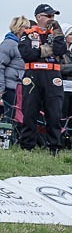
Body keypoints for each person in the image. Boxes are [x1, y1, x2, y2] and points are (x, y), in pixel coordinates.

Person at [18, 4, 67, 154]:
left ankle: (55, 147)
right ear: (39, 17)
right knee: (30, 111)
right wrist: (43, 50)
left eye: (53, 16)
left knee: (54, 113)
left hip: (52, 76)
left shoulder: (56, 34)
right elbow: (27, 54)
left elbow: (61, 51)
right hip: (33, 74)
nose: (52, 19)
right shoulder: (28, 33)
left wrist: (58, 34)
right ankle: (27, 147)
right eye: (49, 16)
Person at [0, 16, 30, 144]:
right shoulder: (8, 44)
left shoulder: (22, 45)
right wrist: (1, 89)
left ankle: (13, 142)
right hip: (9, 87)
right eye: (26, 27)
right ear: (18, 28)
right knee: (8, 117)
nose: (28, 30)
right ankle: (5, 143)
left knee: (16, 117)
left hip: (19, 86)